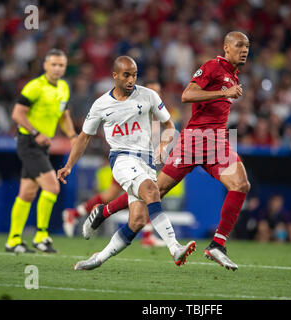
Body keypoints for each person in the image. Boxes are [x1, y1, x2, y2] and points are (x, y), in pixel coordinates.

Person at [83, 31, 251, 271]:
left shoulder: (233, 75)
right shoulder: (213, 67)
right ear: (226, 47)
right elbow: (187, 95)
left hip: (217, 141)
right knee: (156, 190)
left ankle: (217, 245)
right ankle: (105, 210)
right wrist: (224, 93)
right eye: (239, 45)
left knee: (241, 184)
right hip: (194, 140)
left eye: (247, 46)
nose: (244, 50)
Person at [57, 56, 196, 270]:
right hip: (122, 159)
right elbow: (84, 137)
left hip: (146, 161)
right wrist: (68, 165)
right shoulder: (101, 105)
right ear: (115, 76)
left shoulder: (149, 95)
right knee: (152, 191)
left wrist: (163, 145)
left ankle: (97, 258)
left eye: (134, 75)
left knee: (138, 220)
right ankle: (175, 247)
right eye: (126, 75)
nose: (131, 80)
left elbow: (169, 124)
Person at [62, 81, 171, 248]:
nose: (156, 94)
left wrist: (161, 148)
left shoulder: (153, 114)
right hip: (128, 160)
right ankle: (147, 235)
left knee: (117, 194)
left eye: (158, 91)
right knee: (147, 191)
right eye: (153, 90)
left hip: (143, 160)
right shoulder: (135, 108)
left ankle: (75, 213)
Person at [5, 49, 78, 253]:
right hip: (29, 142)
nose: (57, 68)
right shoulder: (35, 86)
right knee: (52, 187)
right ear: (45, 66)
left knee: (27, 193)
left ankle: (13, 240)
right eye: (53, 64)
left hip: (43, 145)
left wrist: (73, 137)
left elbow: (64, 116)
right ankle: (41, 236)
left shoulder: (64, 87)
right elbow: (17, 114)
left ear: (65, 67)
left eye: (61, 65)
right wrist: (36, 133)